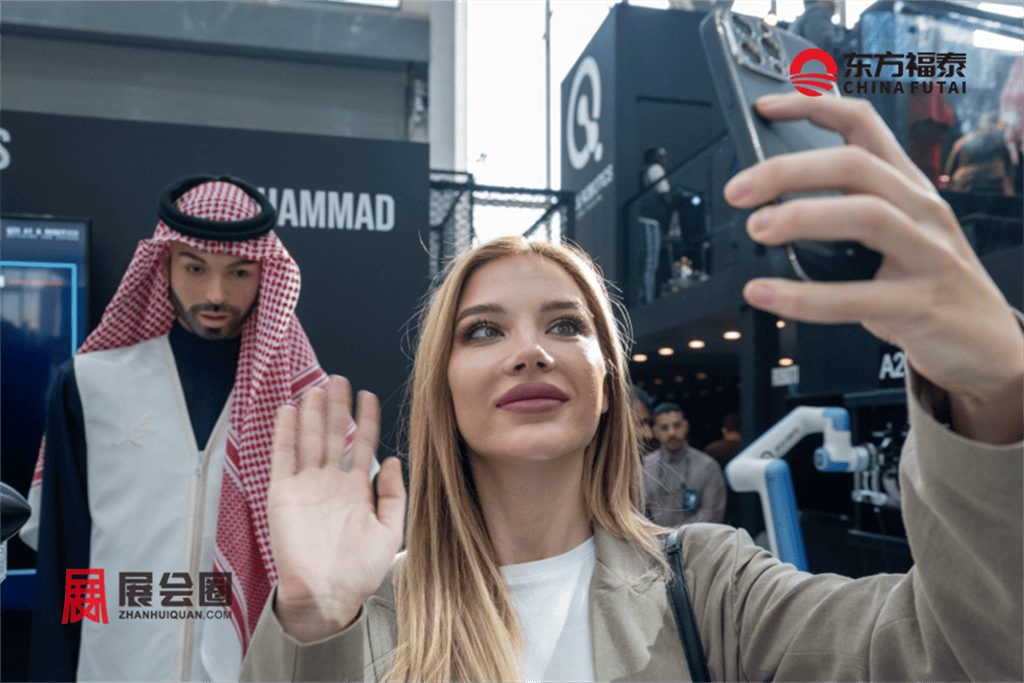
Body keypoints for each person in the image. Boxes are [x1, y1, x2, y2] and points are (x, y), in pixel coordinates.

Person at [241, 94, 1022, 682]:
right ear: (443, 388)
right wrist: (314, 621)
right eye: (482, 331)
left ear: (609, 382)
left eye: (564, 324)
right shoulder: (368, 607)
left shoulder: (710, 584)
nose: (529, 352)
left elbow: (959, 653)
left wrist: (997, 391)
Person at [23, 176, 374, 682]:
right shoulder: (89, 384)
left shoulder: (304, 408)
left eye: (239, 272)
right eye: (195, 267)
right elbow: (65, 563)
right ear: (163, 264)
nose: (215, 293)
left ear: (265, 275)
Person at [642, 402, 726, 526]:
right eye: (664, 428)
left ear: (686, 426)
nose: (672, 433)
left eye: (677, 425)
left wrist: (677, 533)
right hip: (653, 537)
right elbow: (637, 510)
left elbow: (712, 513)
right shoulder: (644, 466)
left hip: (696, 537)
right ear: (655, 431)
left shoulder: (707, 466)